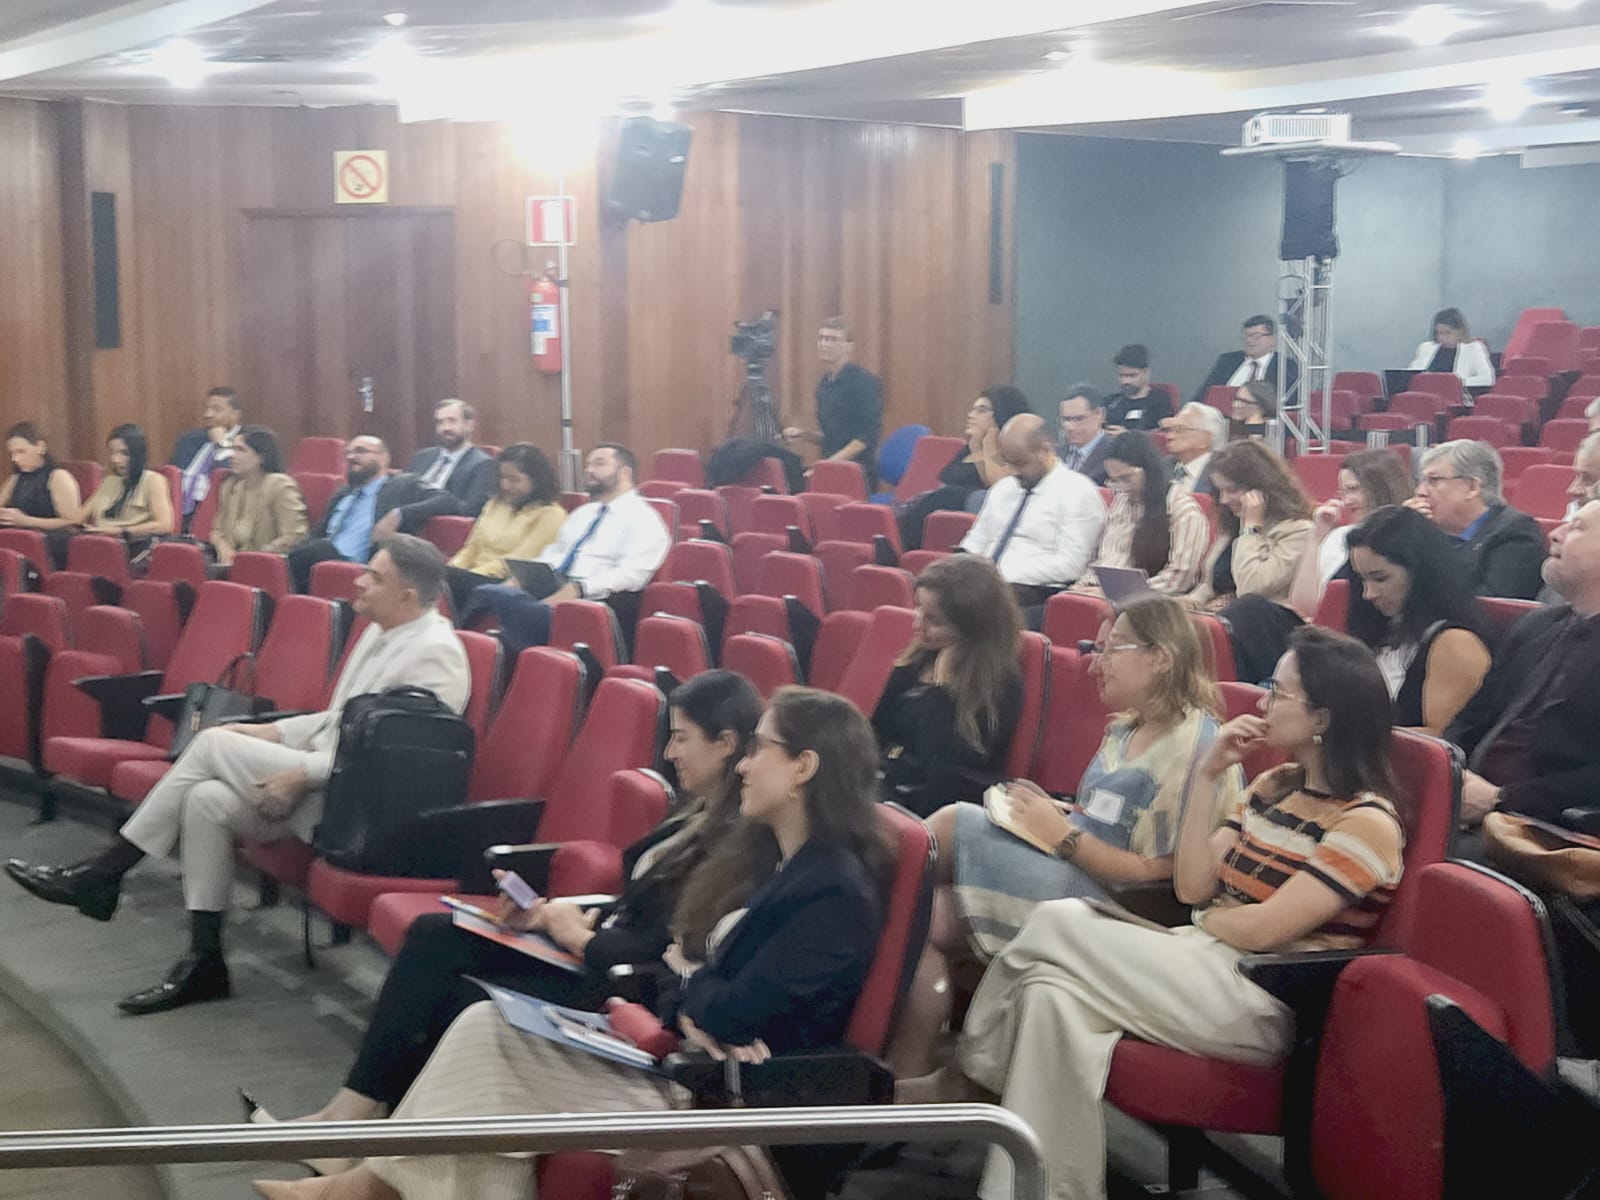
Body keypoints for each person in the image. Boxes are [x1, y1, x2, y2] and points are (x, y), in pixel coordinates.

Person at [252, 686, 891, 1200]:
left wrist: (692, 992)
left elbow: (721, 1007)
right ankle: (367, 1183)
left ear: (804, 767)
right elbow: (691, 977)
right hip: (682, 1054)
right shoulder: (786, 863)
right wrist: (691, 992)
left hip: (714, 1096)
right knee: (484, 1027)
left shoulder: (832, 891)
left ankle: (363, 1187)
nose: (744, 765)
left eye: (760, 749)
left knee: (491, 1049)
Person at [904, 626, 1405, 1200]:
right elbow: (1195, 885)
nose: (1263, 703)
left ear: (1323, 718)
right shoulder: (1273, 787)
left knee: (1060, 921)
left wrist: (1208, 921)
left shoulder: (1367, 823)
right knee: (1049, 996)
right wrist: (1209, 774)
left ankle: (968, 1078)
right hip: (1201, 961)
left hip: (1262, 996)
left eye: (1279, 692)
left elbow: (1266, 930)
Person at [5, 535, 469, 1015]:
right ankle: (205, 960)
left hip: (358, 810)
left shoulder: (435, 654)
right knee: (205, 801)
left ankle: (105, 872)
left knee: (211, 743)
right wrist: (274, 732)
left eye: (374, 576)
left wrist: (300, 774)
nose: (359, 581)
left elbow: (391, 764)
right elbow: (340, 721)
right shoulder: (380, 629)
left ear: (406, 596)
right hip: (328, 779)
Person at [889, 595, 1245, 1078]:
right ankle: (910, 1073)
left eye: (1112, 649)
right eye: (1096, 649)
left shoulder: (1197, 746)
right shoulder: (1128, 728)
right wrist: (1054, 813)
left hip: (1117, 908)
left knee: (950, 826)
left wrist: (1064, 837)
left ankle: (848, 896)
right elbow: (1101, 819)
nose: (1096, 664)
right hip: (1073, 868)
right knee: (922, 915)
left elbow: (1163, 877)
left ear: (1161, 657)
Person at [1447, 498, 1600, 832]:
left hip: (1552, 831)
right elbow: (1472, 718)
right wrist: (1449, 770)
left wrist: (1502, 799)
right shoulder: (1535, 625)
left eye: (1577, 528)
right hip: (1472, 806)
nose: (1555, 534)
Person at [458, 444, 671, 654]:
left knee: (516, 608)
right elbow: (555, 554)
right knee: (488, 592)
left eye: (599, 464)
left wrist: (579, 588)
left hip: (596, 600)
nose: (589, 470)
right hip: (554, 588)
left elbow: (631, 575)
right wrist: (523, 578)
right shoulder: (583, 513)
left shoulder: (645, 520)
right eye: (588, 464)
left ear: (625, 473)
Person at [873, 555, 1024, 817]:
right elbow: (877, 730)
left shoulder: (1000, 683)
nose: (918, 624)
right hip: (886, 781)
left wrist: (942, 690)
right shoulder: (918, 658)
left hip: (929, 804)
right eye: (918, 609)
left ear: (973, 628)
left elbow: (946, 770)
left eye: (934, 620)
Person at [1341, 505, 1492, 734]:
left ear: (1419, 572)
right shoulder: (1380, 627)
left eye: (1380, 579)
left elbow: (1441, 742)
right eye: (1362, 580)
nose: (1368, 594)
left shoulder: (1455, 643)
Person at [1180, 441, 1314, 684]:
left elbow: (1251, 588)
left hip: (1260, 631)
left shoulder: (1297, 530)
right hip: (1218, 619)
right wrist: (1189, 603)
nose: (1224, 499)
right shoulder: (1231, 526)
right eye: (1220, 491)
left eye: (1232, 490)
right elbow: (1211, 584)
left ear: (1261, 488)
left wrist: (1251, 527)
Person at [959, 413, 1107, 609]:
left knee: (980, 606)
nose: (1013, 471)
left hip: (1037, 589)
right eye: (1007, 462)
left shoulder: (1078, 492)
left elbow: (1071, 565)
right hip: (989, 583)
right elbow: (976, 540)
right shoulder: (1003, 488)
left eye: (1020, 463)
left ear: (1045, 450)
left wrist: (1001, 573)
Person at [285, 436, 437, 593]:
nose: (351, 457)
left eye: (360, 451)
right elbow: (319, 532)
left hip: (358, 568)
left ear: (384, 458)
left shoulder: (402, 485)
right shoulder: (343, 494)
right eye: (348, 453)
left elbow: (446, 500)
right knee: (301, 554)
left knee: (316, 551)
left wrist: (398, 514)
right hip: (320, 565)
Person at [1406, 440, 1546, 600]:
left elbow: (1489, 604)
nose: (1420, 492)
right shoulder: (1425, 531)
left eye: (1434, 480)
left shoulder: (1516, 532)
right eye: (1421, 481)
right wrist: (1403, 533)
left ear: (1472, 487)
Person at [1075, 431, 1209, 596]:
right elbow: (1105, 559)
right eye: (1114, 481)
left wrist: (1114, 592)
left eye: (1126, 478)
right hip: (1107, 591)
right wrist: (1084, 584)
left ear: (1148, 470)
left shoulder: (1182, 510)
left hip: (1150, 600)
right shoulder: (1122, 501)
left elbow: (1179, 578)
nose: (1121, 487)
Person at [897, 386, 1031, 550]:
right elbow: (945, 480)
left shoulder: (1016, 452)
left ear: (1002, 414)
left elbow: (1004, 487)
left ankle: (897, 547)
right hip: (943, 519)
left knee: (952, 495)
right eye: (972, 409)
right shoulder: (970, 448)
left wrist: (988, 447)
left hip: (979, 521)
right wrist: (976, 446)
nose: (971, 415)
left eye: (981, 410)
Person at [1288, 447, 1416, 617]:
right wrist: (1316, 538)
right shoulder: (1338, 537)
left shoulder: (1411, 537)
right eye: (1343, 493)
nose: (1346, 501)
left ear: (1381, 487)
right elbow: (1304, 607)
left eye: (1353, 489)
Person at [443, 443, 565, 615]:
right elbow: (472, 547)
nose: (506, 486)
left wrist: (467, 575)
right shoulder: (495, 504)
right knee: (433, 574)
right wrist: (454, 568)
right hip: (470, 576)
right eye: (502, 477)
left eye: (514, 480)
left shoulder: (551, 514)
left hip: (505, 581)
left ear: (536, 480)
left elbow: (520, 560)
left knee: (446, 579)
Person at [373, 399, 497, 544]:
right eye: (440, 422)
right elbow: (402, 490)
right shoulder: (422, 456)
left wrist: (402, 514)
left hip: (436, 536)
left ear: (469, 425)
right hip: (399, 527)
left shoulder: (483, 464)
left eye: (452, 421)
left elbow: (468, 510)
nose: (445, 428)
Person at [783, 317, 884, 490]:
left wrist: (827, 466)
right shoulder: (824, 385)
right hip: (830, 466)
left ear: (849, 346)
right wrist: (805, 435)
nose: (824, 344)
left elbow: (866, 438)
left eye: (832, 339)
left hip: (857, 472)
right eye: (821, 338)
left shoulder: (864, 382)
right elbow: (833, 438)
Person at [208, 427, 308, 566]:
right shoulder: (230, 485)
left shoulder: (280, 485)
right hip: (229, 565)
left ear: (261, 457)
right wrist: (224, 549)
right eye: (233, 449)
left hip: (267, 566)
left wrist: (251, 559)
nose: (232, 455)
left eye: (240, 450)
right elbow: (217, 531)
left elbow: (294, 535)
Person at [66, 423, 175, 544]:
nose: (116, 460)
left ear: (137, 453)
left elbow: (165, 525)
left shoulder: (153, 481)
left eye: (124, 453)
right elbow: (78, 518)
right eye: (112, 453)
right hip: (100, 541)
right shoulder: (108, 482)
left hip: (132, 543)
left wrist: (121, 532)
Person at [170, 386, 242, 526]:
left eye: (217, 409)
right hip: (180, 511)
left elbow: (231, 479)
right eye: (206, 408)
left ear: (235, 415)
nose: (208, 414)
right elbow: (173, 477)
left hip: (221, 514)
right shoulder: (189, 440)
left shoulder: (247, 441)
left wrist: (221, 444)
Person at [1191, 314, 1298, 406]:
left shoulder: (1285, 366)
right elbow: (1204, 395)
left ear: (1272, 339)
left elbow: (1289, 404)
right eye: (1246, 336)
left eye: (1256, 336)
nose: (1249, 340)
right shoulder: (1227, 361)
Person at [0, 422, 82, 531]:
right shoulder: (15, 479)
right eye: (12, 453)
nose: (15, 459)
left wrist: (26, 521)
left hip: (51, 536)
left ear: (40, 447)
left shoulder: (58, 477)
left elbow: (71, 521)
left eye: (21, 451)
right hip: (20, 535)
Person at [1407, 307, 1495, 389]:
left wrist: (1453, 382)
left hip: (1454, 395)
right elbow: (1412, 375)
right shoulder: (1425, 347)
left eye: (1447, 333)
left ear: (1460, 332)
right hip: (1426, 391)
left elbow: (1488, 379)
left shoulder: (1473, 349)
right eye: (1439, 333)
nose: (1442, 338)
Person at [1160, 402, 1228, 496]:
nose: (1169, 436)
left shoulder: (1223, 472)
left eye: (1180, 429)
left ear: (1205, 438)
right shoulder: (1159, 467)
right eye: (1170, 429)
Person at [1105, 345, 1172, 431]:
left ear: (1146, 373)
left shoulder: (1160, 401)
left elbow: (1165, 432)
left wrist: (1127, 435)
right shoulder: (1110, 403)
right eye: (1122, 376)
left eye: (1132, 375)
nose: (1126, 381)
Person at [1057, 385, 1112, 485]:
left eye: (1078, 419)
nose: (1069, 427)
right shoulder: (1055, 456)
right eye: (1065, 420)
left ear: (1100, 414)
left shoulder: (1114, 453)